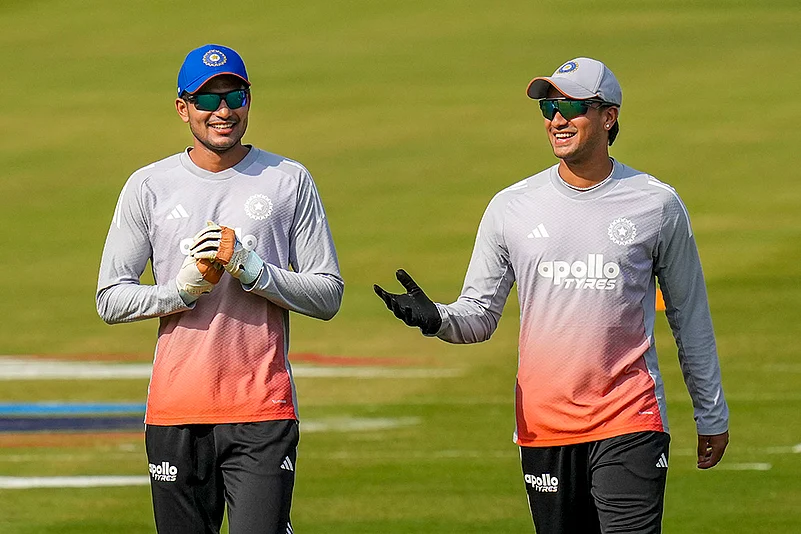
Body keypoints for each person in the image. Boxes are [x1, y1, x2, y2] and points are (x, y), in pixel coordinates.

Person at [374, 57, 728, 533]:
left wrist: (711, 413)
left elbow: (690, 315)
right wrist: (438, 319)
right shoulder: (511, 207)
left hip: (630, 418)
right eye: (548, 108)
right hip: (544, 426)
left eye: (573, 107)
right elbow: (479, 315)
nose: (557, 119)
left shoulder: (656, 204)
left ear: (609, 116)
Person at [96, 44, 343, 534]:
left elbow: (327, 294)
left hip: (262, 407)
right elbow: (110, 298)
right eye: (208, 100)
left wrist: (253, 270)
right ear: (182, 107)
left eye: (235, 96)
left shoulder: (288, 180)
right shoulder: (149, 186)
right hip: (175, 411)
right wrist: (182, 291)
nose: (223, 111)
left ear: (249, 100)